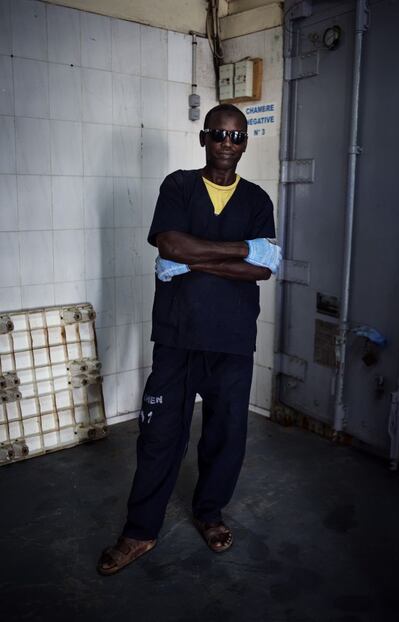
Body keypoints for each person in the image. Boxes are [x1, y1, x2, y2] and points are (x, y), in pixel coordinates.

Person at [97, 104, 282, 575]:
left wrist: (194, 258)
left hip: (233, 341)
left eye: (237, 136)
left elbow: (263, 268)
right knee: (160, 435)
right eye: (219, 134)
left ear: (244, 144)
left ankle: (209, 514)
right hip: (178, 336)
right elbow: (170, 245)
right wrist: (242, 250)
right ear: (204, 138)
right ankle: (139, 530)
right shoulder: (178, 185)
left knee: (225, 438)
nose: (227, 143)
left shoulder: (258, 200)